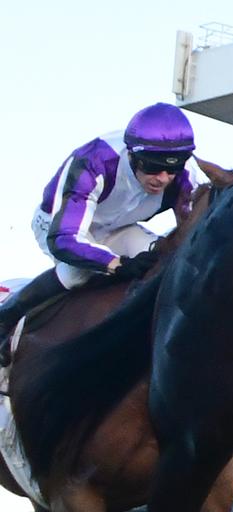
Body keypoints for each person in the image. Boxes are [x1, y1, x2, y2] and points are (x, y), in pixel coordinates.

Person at [0, 103, 200, 365]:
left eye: (170, 169)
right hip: (60, 227)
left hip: (120, 227)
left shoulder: (185, 173)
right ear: (132, 155)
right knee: (79, 272)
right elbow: (65, 239)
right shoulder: (94, 160)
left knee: (164, 260)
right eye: (152, 167)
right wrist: (116, 264)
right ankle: (7, 318)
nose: (162, 178)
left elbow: (194, 234)